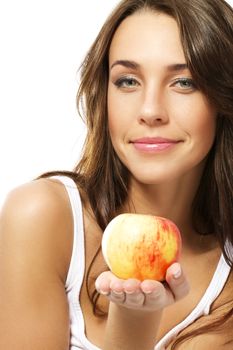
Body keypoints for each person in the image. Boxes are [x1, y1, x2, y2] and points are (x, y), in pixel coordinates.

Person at [1, 0, 233, 349]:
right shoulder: (41, 218)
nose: (150, 110)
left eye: (184, 82)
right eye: (127, 81)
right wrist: (133, 321)